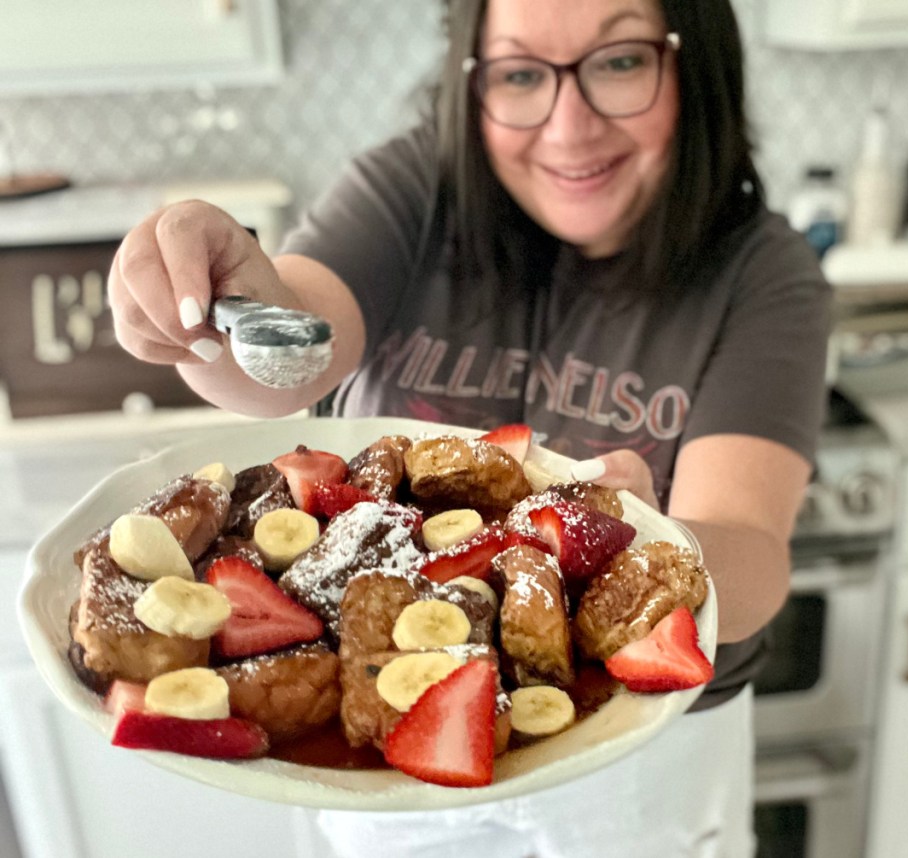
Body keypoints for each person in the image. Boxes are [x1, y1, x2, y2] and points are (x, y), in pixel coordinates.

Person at [108, 0, 831, 854]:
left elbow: (755, 556)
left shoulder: (763, 274)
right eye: (521, 75)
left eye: (621, 62)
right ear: (472, 81)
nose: (569, 127)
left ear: (695, 63)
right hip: (394, 717)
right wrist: (214, 307)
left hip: (643, 767)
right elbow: (289, 353)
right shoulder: (413, 195)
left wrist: (659, 544)